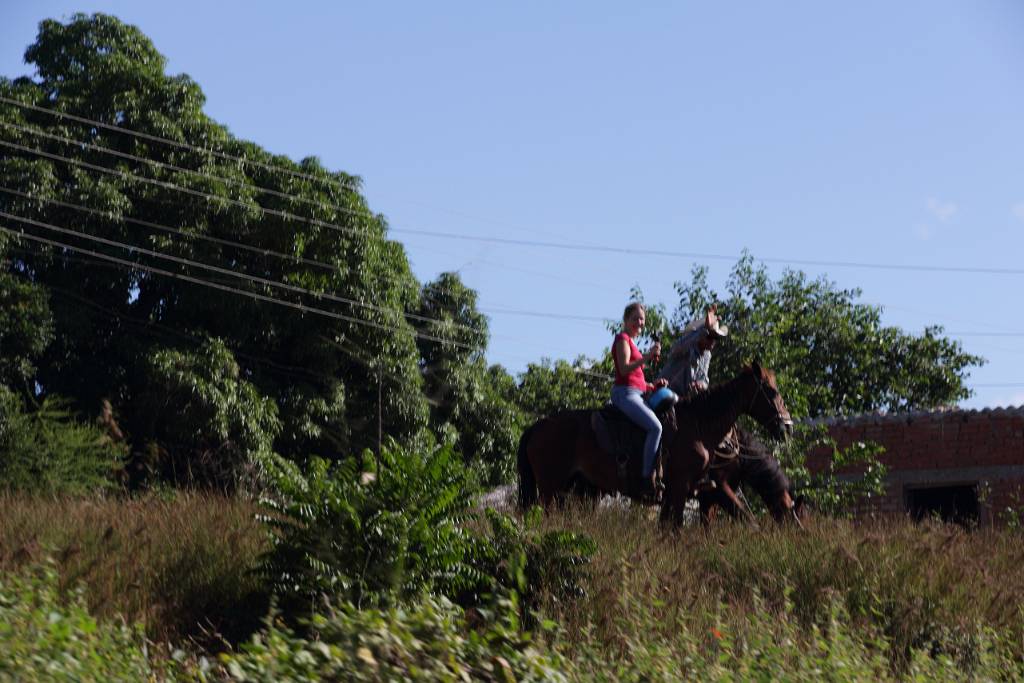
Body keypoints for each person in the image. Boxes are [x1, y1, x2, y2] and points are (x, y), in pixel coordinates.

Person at [611, 302, 669, 497]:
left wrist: (653, 385)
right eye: (635, 318)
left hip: (637, 392)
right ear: (626, 320)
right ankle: (646, 479)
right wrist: (648, 356)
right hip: (625, 393)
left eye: (642, 319)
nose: (639, 323)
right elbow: (625, 369)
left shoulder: (633, 342)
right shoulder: (622, 339)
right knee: (656, 427)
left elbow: (637, 379)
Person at [658, 304, 729, 397]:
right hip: (664, 392)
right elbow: (675, 349)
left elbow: (703, 379)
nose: (712, 341)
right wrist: (704, 330)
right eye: (709, 336)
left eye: (715, 337)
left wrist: (700, 385)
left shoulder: (707, 355)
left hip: (683, 399)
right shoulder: (687, 346)